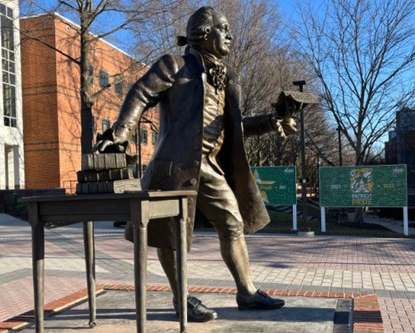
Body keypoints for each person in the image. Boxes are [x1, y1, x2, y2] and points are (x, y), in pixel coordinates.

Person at [95, 6, 298, 322]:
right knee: (169, 235)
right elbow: (140, 93)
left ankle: (246, 292)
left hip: (208, 166)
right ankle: (181, 298)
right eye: (224, 28)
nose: (230, 34)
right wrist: (120, 133)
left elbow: (236, 127)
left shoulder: (226, 78)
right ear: (203, 33)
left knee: (232, 222)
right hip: (174, 168)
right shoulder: (174, 65)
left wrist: (273, 121)